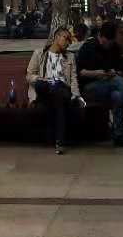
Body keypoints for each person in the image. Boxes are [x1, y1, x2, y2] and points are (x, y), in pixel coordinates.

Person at [27, 27, 82, 155]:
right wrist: (42, 79)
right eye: (66, 39)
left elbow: (73, 79)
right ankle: (60, 141)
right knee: (43, 85)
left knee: (59, 95)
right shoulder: (39, 53)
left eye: (70, 41)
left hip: (62, 89)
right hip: (44, 88)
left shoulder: (70, 57)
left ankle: (59, 141)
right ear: (57, 37)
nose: (68, 43)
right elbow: (29, 75)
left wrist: (76, 95)